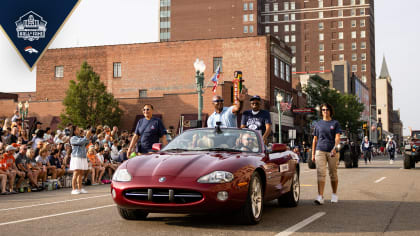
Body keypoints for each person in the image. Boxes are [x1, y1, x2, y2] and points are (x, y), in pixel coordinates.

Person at [311, 103, 342, 205]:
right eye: (323, 110)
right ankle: (320, 196)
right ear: (321, 111)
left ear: (330, 111)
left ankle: (334, 194)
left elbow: (337, 137)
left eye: (327, 109)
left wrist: (335, 148)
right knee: (320, 173)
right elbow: (314, 140)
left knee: (333, 174)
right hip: (320, 150)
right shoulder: (318, 124)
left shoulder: (335, 123)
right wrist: (312, 154)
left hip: (332, 151)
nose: (325, 111)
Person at [70, 125, 92, 195]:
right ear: (74, 131)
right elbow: (81, 142)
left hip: (83, 156)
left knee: (81, 173)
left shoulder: (81, 137)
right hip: (76, 157)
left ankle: (80, 188)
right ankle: (73, 189)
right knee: (76, 173)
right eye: (77, 129)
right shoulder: (73, 138)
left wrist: (88, 136)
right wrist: (87, 136)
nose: (79, 130)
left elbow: (86, 143)